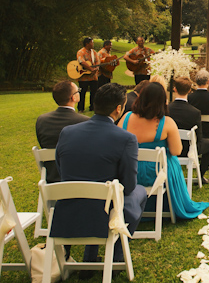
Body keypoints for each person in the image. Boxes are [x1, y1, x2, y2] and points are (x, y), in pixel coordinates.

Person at [53, 83, 148, 264]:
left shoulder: (67, 132)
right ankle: (117, 256)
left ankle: (90, 257)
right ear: (119, 108)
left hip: (67, 209)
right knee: (139, 192)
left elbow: (61, 169)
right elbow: (128, 185)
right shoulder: (126, 138)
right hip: (104, 212)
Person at [120, 82, 209, 220]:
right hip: (156, 173)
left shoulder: (125, 118)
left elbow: (118, 147)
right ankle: (169, 205)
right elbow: (176, 151)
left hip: (131, 172)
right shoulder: (166, 122)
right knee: (172, 161)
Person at [168, 76, 209, 184]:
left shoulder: (167, 109)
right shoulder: (194, 112)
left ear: (175, 89)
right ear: (190, 91)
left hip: (170, 147)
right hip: (188, 149)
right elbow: (198, 138)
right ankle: (200, 175)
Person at [35, 81, 89, 182]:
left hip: (52, 178)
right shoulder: (84, 121)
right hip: (79, 178)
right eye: (78, 91)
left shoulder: (42, 120)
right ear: (73, 97)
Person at [76, 37, 99, 112]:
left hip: (93, 76)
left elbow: (97, 61)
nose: (93, 44)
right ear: (87, 44)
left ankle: (92, 107)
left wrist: (96, 68)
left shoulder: (94, 52)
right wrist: (90, 69)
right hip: (83, 76)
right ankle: (80, 108)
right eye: (92, 42)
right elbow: (81, 61)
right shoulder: (81, 52)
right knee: (82, 92)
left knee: (94, 92)